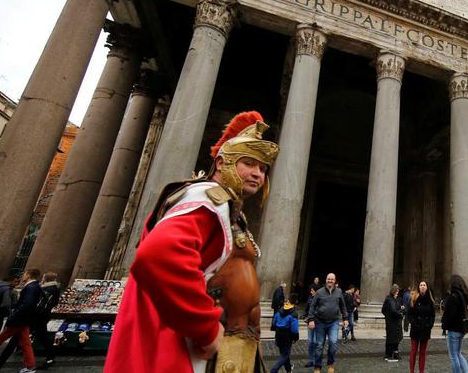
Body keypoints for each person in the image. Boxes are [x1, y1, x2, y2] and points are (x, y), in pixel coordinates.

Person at [105, 111, 279, 373]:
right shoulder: (207, 200)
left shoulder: (225, 207)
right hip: (194, 344)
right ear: (221, 163)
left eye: (263, 169)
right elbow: (157, 256)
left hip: (231, 340)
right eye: (249, 164)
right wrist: (205, 329)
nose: (257, 174)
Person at [0, 271, 62, 371]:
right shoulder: (54, 288)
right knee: (38, 338)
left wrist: (16, 316)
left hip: (32, 317)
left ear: (45, 278)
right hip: (39, 317)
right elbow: (54, 303)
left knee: (16, 341)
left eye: (43, 277)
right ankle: (48, 357)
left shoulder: (43, 288)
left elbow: (30, 304)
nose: (42, 278)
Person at [307, 273, 348, 373]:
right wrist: (311, 319)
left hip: (333, 322)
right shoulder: (320, 292)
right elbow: (312, 306)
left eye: (332, 279)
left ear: (335, 281)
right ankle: (317, 367)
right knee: (319, 345)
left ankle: (330, 364)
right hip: (320, 322)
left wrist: (345, 318)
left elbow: (343, 306)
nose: (330, 281)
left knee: (333, 343)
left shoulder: (339, 292)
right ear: (326, 280)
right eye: (328, 279)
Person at [440, 274, 468, 373]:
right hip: (462, 329)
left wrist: (443, 325)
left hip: (454, 330)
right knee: (458, 354)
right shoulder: (463, 296)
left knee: (453, 356)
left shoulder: (453, 297)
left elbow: (449, 316)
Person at [408, 281, 435, 373]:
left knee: (423, 352)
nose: (422, 286)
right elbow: (410, 314)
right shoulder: (414, 298)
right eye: (421, 285)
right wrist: (414, 324)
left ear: (427, 287)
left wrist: (429, 325)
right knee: (413, 351)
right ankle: (411, 371)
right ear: (418, 287)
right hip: (416, 328)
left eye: (424, 285)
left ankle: (421, 371)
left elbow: (432, 315)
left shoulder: (430, 300)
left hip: (425, 329)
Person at [271, 293, 300, 373]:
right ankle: (273, 370)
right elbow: (294, 329)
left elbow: (274, 323)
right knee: (284, 355)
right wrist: (296, 337)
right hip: (287, 337)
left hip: (278, 335)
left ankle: (288, 370)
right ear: (295, 303)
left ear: (288, 300)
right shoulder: (294, 314)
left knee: (284, 354)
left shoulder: (279, 310)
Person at [382, 284, 404, 362]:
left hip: (397, 322)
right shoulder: (389, 299)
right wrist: (389, 317)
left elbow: (398, 308)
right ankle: (387, 354)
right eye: (396, 290)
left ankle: (395, 353)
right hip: (391, 322)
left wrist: (401, 309)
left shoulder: (398, 299)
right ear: (393, 290)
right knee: (390, 338)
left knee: (397, 338)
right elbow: (385, 310)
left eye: (398, 290)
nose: (398, 292)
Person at [304, 286, 319, 368]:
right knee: (310, 342)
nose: (311, 292)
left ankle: (316, 360)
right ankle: (311, 360)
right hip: (310, 322)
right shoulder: (310, 298)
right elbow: (307, 309)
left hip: (318, 323)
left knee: (316, 342)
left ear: (316, 291)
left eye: (312, 290)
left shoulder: (321, 299)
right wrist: (305, 316)